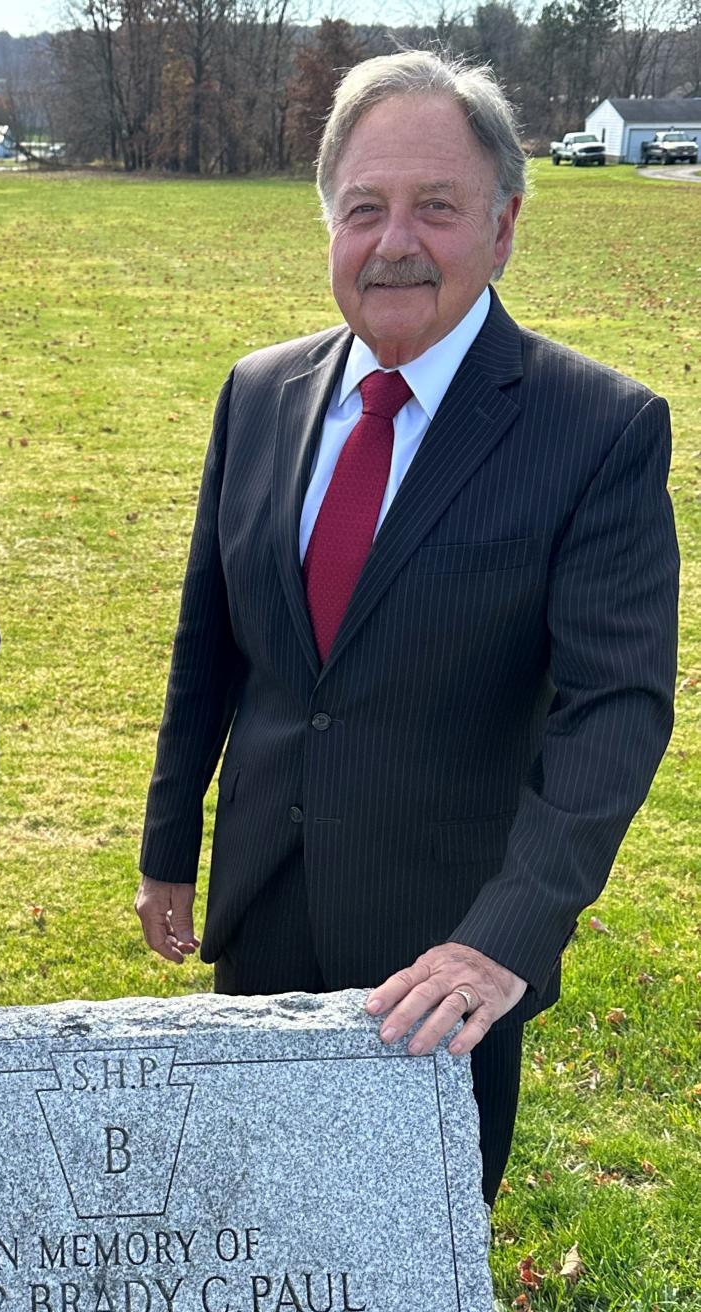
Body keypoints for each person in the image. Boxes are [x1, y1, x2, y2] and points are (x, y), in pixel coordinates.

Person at [136, 50, 678, 1205]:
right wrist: (170, 844)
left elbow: (614, 712)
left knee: (412, 1265)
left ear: (505, 225)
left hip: (445, 948)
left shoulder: (595, 428)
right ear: (327, 222)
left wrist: (508, 938)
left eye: (437, 207)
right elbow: (210, 640)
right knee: (249, 1220)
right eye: (364, 208)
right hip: (264, 910)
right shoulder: (260, 392)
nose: (396, 241)